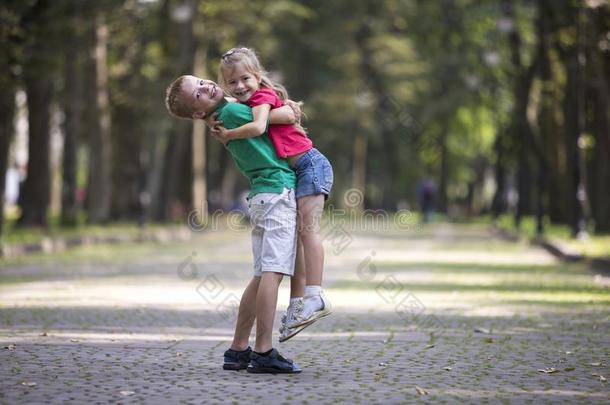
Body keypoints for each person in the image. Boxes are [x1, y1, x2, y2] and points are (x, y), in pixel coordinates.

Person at [165, 75, 302, 374]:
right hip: (278, 191)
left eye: (201, 81)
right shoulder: (234, 113)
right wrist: (287, 105)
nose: (206, 87)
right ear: (199, 114)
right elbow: (286, 115)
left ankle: (238, 349)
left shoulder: (225, 117)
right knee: (273, 273)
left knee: (260, 275)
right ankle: (264, 351)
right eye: (198, 94)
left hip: (261, 195)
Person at [212, 47, 333, 342]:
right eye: (232, 83)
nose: (240, 86)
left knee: (308, 232)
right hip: (301, 167)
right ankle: (297, 305)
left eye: (245, 79)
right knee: (299, 238)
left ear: (257, 76)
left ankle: (315, 296)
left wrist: (228, 135)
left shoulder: (263, 100)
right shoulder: (252, 100)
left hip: (310, 164)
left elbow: (258, 126)